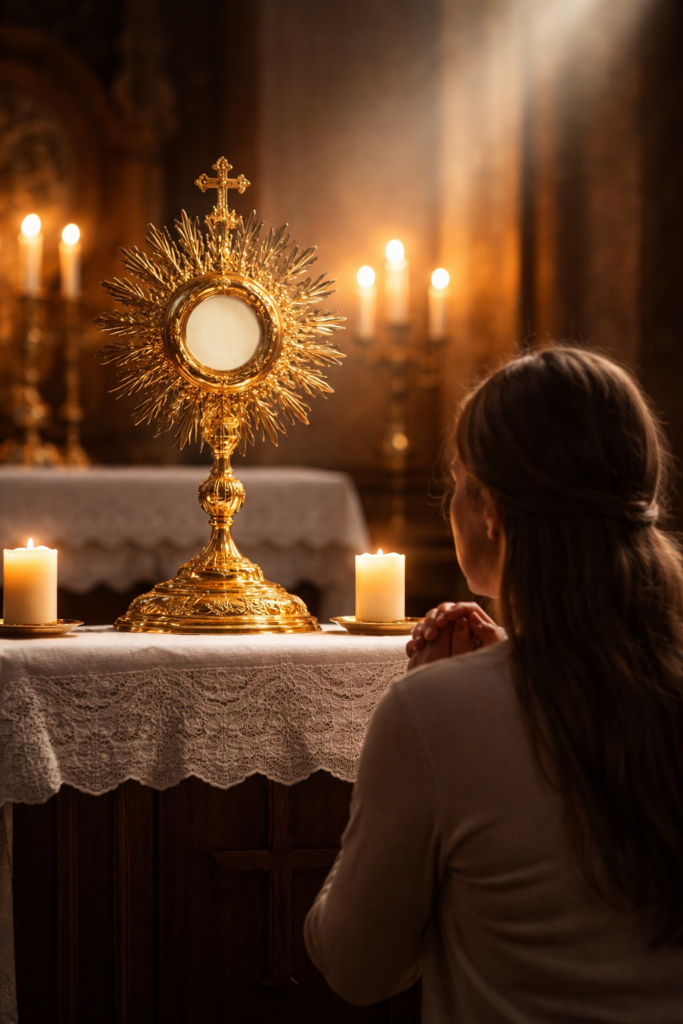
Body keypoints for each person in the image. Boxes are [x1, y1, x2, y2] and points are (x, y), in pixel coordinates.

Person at [304, 346, 683, 1022]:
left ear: (489, 513)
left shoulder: (436, 712)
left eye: (457, 480)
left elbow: (358, 966)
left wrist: (447, 708)